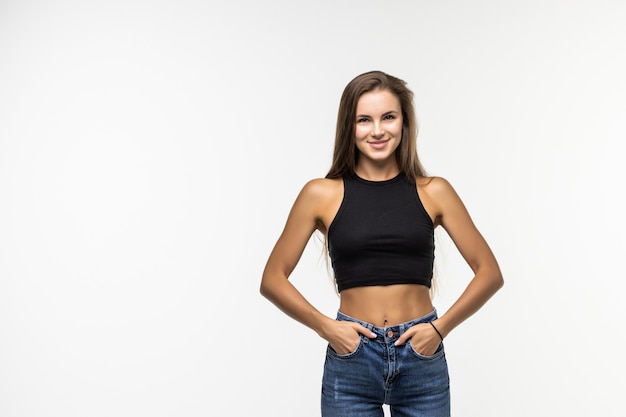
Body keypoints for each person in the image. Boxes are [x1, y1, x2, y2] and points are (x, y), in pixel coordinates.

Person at [260, 70, 503, 417]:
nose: (377, 130)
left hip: (421, 354)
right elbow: (272, 279)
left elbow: (490, 272)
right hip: (353, 356)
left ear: (404, 122)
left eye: (388, 117)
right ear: (349, 126)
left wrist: (439, 329)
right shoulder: (321, 194)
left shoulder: (434, 191)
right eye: (364, 120)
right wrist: (326, 328)